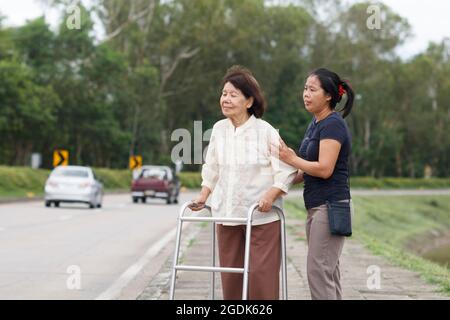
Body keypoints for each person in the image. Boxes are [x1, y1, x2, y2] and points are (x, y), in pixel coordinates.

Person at [189, 65, 298, 300]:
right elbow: (212, 168)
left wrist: (270, 195)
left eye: (232, 94)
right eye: (223, 93)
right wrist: (203, 195)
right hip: (227, 214)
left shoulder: (265, 131)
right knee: (231, 277)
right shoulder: (219, 129)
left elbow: (287, 170)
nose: (225, 99)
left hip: (260, 216)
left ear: (249, 101)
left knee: (261, 276)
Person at [272, 68, 354, 300]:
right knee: (327, 271)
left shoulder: (333, 124)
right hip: (316, 206)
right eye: (305, 89)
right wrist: (278, 184)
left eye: (312, 89)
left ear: (328, 95)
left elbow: (325, 169)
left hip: (331, 206)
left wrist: (291, 158)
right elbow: (305, 170)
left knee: (318, 271)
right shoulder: (315, 124)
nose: (306, 94)